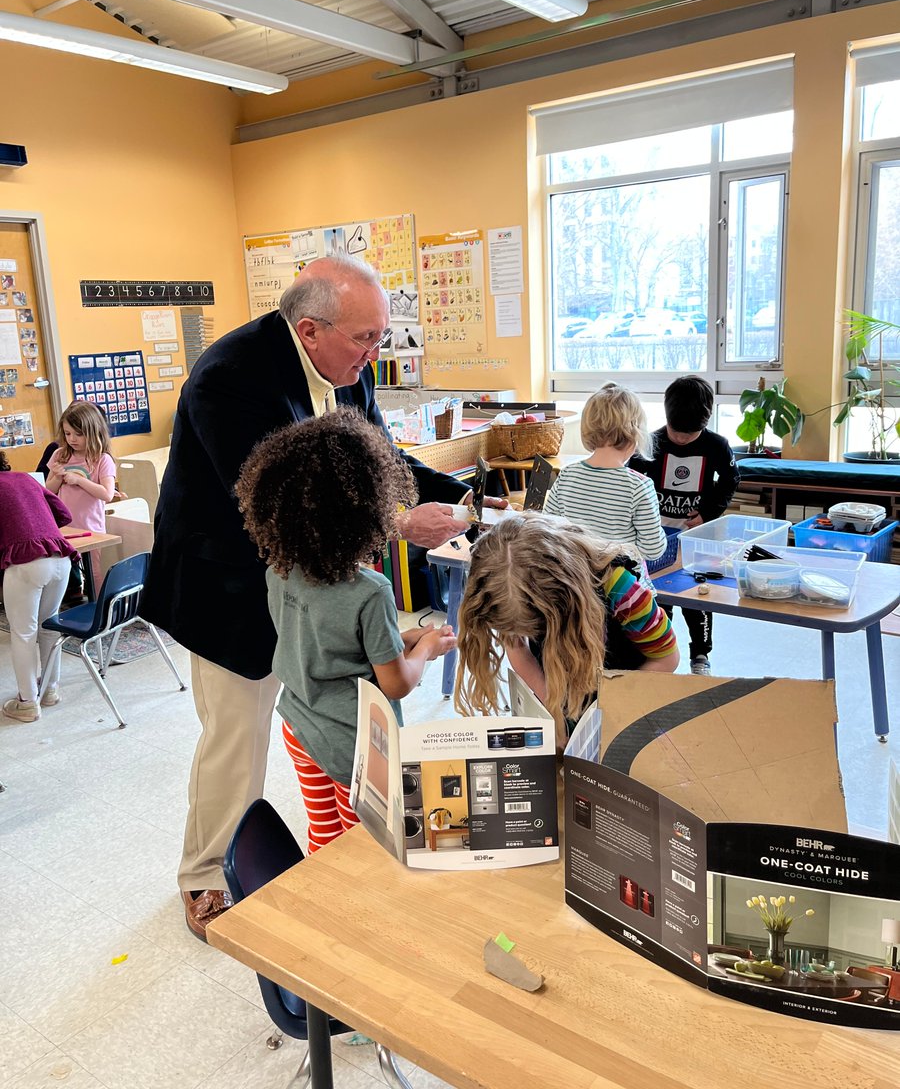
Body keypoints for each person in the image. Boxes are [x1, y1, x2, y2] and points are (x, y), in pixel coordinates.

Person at [142, 255, 503, 941]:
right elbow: (273, 502)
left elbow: (382, 463)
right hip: (229, 587)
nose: (377, 355)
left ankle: (329, 843)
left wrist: (461, 499)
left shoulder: (348, 373)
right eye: (366, 338)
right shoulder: (228, 377)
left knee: (322, 718)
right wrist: (399, 525)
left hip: (309, 585)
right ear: (308, 330)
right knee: (235, 739)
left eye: (381, 338)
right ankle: (205, 875)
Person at [236, 409, 456, 853]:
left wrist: (403, 643)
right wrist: (426, 648)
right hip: (352, 742)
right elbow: (394, 683)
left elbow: (325, 642)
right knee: (366, 842)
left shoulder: (280, 571)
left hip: (299, 726)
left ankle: (327, 898)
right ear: (370, 508)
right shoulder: (370, 591)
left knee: (326, 835)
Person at [453, 513, 679, 741]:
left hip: (629, 703)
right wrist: (554, 716)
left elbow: (667, 658)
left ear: (568, 600)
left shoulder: (624, 592)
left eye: (537, 630)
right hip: (565, 695)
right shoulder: (506, 587)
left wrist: (609, 711)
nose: (530, 637)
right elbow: (518, 651)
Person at [629, 374, 740, 675]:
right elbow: (630, 482)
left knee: (697, 595)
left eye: (688, 435)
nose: (679, 439)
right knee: (659, 597)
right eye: (676, 432)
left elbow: (730, 481)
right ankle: (659, 654)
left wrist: (707, 513)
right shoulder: (650, 443)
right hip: (655, 537)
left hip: (695, 536)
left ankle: (700, 656)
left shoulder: (717, 446)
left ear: (705, 423)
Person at [544, 381, 667, 578]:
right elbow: (653, 550)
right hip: (622, 590)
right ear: (635, 433)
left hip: (577, 584)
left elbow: (548, 529)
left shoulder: (567, 474)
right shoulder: (639, 486)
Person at [0, 451, 77, 722]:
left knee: (23, 633)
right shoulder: (25, 478)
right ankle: (50, 690)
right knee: (47, 627)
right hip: (61, 558)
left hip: (26, 564)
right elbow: (63, 514)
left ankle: (27, 703)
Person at [45, 402, 116, 600]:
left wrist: (80, 480)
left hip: (91, 526)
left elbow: (107, 494)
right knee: (65, 568)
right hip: (64, 526)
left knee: (94, 572)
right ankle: (72, 602)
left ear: (93, 432)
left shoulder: (102, 459)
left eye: (78, 434)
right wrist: (57, 478)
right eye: (67, 434)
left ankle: (99, 607)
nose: (72, 439)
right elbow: (47, 492)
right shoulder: (60, 454)